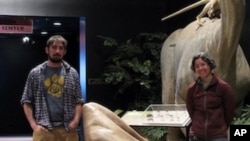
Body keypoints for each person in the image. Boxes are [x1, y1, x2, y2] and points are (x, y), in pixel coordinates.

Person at [20, 35, 84, 141]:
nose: (57, 51)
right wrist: (34, 125)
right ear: (47, 49)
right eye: (54, 47)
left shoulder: (72, 73)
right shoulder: (35, 73)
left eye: (61, 48)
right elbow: (26, 100)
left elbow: (79, 100)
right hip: (43, 130)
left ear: (65, 51)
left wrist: (76, 121)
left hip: (68, 130)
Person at [186, 52, 235, 141]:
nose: (200, 68)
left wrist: (222, 127)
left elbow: (229, 111)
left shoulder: (224, 87)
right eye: (197, 66)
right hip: (197, 135)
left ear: (210, 65)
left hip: (217, 135)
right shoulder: (192, 89)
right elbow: (191, 110)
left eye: (203, 64)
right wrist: (196, 126)